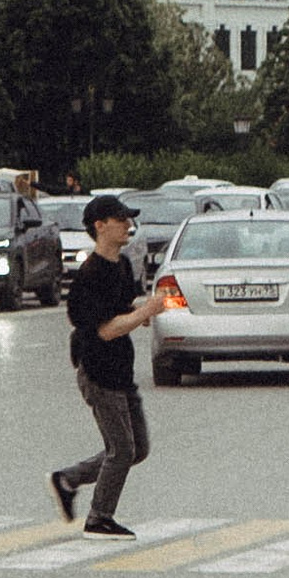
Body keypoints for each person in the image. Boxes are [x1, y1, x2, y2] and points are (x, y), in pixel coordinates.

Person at [49, 194, 166, 538]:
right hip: (99, 371)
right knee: (122, 450)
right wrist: (144, 313)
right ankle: (99, 517)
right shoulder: (90, 276)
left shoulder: (123, 265)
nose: (128, 225)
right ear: (100, 226)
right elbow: (105, 329)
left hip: (121, 370)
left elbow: (123, 311)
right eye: (121, 219)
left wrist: (140, 313)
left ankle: (68, 478)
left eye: (129, 219)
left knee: (137, 449)